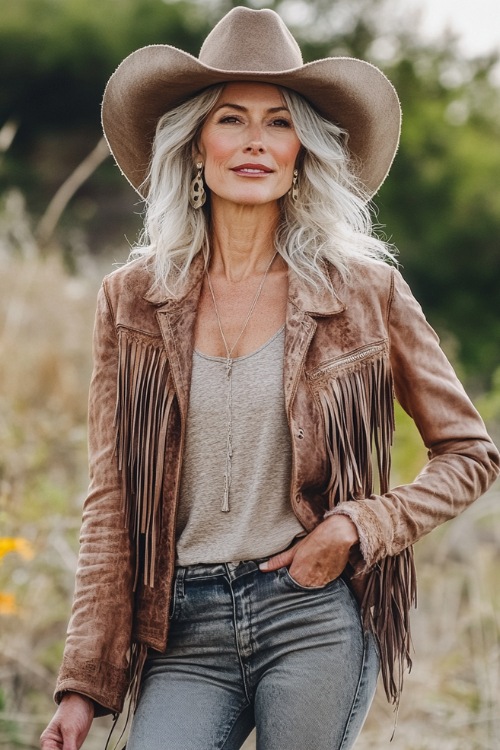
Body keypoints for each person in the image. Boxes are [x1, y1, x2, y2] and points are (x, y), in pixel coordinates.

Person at [40, 7, 499, 750]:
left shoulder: (365, 294)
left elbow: (472, 453)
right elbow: (110, 503)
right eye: (231, 118)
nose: (255, 141)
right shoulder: (130, 301)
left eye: (279, 122)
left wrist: (360, 525)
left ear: (302, 153)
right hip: (180, 632)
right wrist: (83, 685)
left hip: (308, 613)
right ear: (194, 146)